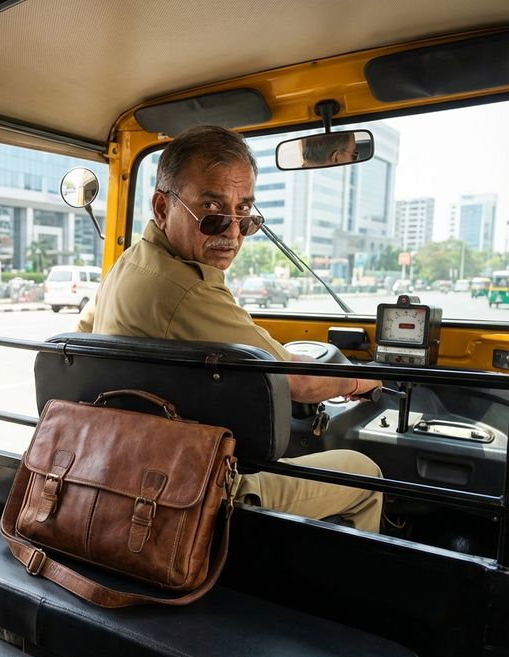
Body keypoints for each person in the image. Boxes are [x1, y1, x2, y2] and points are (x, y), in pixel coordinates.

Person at [78, 125, 384, 532]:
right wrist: (362, 381)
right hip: (193, 491)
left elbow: (78, 341)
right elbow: (298, 381)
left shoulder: (127, 265)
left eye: (244, 213)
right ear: (162, 208)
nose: (234, 232)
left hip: (122, 468)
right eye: (213, 211)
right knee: (364, 472)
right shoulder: (185, 289)